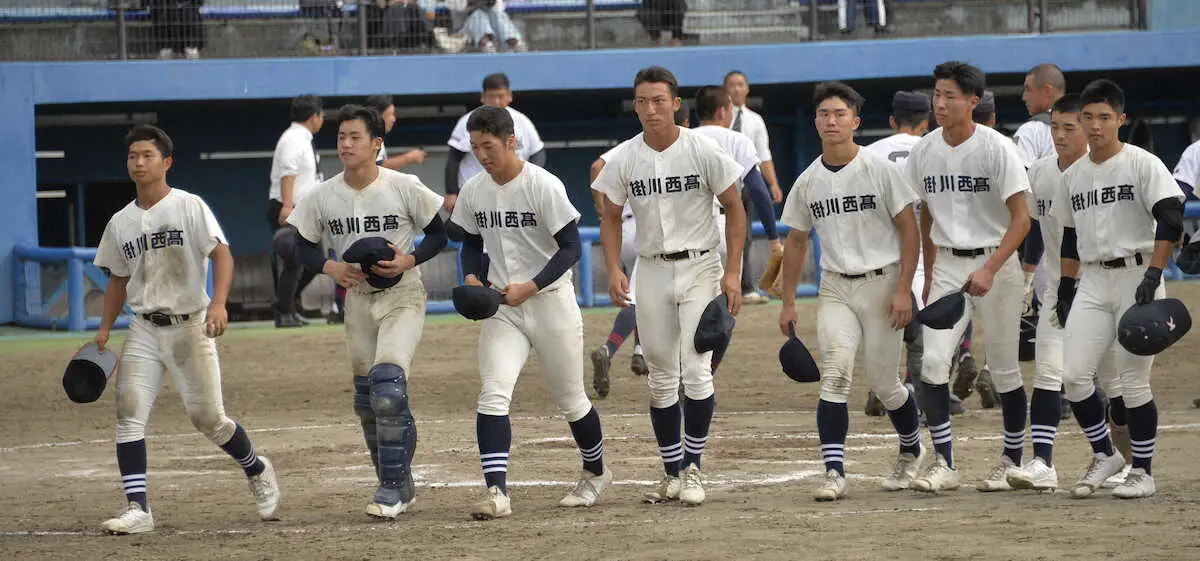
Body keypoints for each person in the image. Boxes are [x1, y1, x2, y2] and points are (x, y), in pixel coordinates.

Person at [92, 125, 281, 534]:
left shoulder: (189, 206)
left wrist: (218, 302)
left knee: (209, 418)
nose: (138, 163)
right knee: (128, 416)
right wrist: (105, 330)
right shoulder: (120, 222)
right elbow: (117, 280)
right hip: (143, 328)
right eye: (132, 156)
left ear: (166, 162)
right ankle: (138, 509)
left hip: (190, 326)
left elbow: (222, 253)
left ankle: (256, 467)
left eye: (146, 155)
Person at [592, 66, 747, 506]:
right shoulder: (624, 157)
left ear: (676, 104)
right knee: (661, 375)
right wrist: (613, 269)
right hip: (652, 268)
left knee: (696, 369)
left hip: (700, 265)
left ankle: (694, 468)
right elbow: (608, 215)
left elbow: (735, 207)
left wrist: (732, 272)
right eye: (642, 100)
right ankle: (671, 471)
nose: (650, 108)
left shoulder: (703, 148)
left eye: (659, 100)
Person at [450, 106, 611, 520]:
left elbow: (571, 247)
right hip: (504, 307)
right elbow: (468, 239)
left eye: (489, 146)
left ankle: (596, 472)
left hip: (550, 301)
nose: (482, 155)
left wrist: (533, 285)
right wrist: (471, 275)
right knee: (493, 392)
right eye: (475, 148)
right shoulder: (474, 190)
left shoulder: (543, 185)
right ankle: (496, 492)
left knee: (571, 399)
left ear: (510, 142)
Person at [289, 104, 449, 518]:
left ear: (377, 144)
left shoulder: (404, 185)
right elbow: (293, 243)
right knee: (367, 402)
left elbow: (439, 233)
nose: (345, 143)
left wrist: (409, 260)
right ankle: (400, 478)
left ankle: (391, 488)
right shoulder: (323, 195)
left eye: (355, 137)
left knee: (388, 388)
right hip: (357, 301)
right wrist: (330, 266)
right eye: (341, 137)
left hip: (403, 297)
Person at [776, 82, 924, 500]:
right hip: (836, 287)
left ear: (855, 122)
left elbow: (908, 228)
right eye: (824, 114)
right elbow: (798, 242)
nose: (831, 120)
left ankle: (912, 448)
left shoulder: (879, 170)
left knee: (884, 383)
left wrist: (903, 289)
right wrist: (788, 302)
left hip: (883, 283)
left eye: (839, 113)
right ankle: (834, 472)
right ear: (816, 121)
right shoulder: (808, 181)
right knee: (836, 374)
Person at [1053, 79, 1184, 499]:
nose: (1095, 126)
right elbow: (1070, 239)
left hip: (1136, 274)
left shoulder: (1142, 163)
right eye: (1087, 117)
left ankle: (1142, 471)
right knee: (1073, 376)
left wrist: (1154, 273)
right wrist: (1066, 285)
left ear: (1120, 119)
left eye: (1104, 117)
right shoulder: (1073, 176)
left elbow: (1169, 218)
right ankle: (1106, 454)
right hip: (1092, 278)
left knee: (1132, 382)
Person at [904, 61, 1031, 493]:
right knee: (934, 365)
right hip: (948, 268)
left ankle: (1010, 461)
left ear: (973, 102)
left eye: (950, 96)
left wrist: (991, 267)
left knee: (1005, 370)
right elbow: (923, 216)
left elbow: (1022, 220)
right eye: (936, 95)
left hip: (998, 265)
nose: (940, 103)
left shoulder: (997, 148)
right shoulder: (923, 151)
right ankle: (944, 463)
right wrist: (929, 271)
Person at [862, 91, 967, 420]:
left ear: (892, 121)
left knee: (885, 328)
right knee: (931, 329)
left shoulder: (867, 153)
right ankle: (925, 394)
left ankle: (884, 389)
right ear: (927, 123)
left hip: (879, 255)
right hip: (927, 252)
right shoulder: (933, 150)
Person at [1002, 94, 1088, 491]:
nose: (1059, 135)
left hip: (1105, 284)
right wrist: (1026, 273)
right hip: (1057, 286)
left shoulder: (1113, 170)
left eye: (1069, 127)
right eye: (1054, 127)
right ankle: (1043, 463)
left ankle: (1123, 458)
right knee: (1048, 373)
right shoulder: (1040, 171)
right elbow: (1035, 228)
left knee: (1112, 381)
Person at [586, 106, 693, 396]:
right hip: (655, 232)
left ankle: (639, 351)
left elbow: (597, 167)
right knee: (653, 299)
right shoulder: (682, 147)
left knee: (645, 297)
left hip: (627, 229)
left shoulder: (632, 146)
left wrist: (603, 209)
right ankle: (611, 349)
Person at [445, 73, 545, 214]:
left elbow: (537, 153)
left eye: (501, 96)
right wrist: (451, 192)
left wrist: (531, 181)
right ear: (483, 97)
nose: (497, 101)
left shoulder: (522, 121)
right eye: (492, 96)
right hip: (475, 194)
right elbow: (453, 158)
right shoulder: (469, 121)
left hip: (515, 192)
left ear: (509, 96)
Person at [724, 71, 783, 304]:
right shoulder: (719, 117)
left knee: (744, 235)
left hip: (746, 182)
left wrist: (773, 183)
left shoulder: (755, 120)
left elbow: (763, 154)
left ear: (747, 88)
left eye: (740, 85)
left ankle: (745, 285)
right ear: (725, 89)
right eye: (732, 85)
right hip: (720, 182)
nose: (737, 89)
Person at [267, 94, 324, 328]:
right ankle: (284, 312)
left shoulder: (303, 138)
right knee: (295, 262)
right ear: (314, 116)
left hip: (304, 209)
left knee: (314, 261)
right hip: (289, 207)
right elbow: (287, 173)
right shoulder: (293, 138)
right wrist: (288, 206)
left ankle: (285, 301)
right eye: (322, 115)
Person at [366, 94, 428, 171]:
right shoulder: (370, 137)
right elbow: (378, 168)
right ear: (379, 116)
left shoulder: (377, 135)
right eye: (391, 114)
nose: (393, 119)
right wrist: (409, 157)